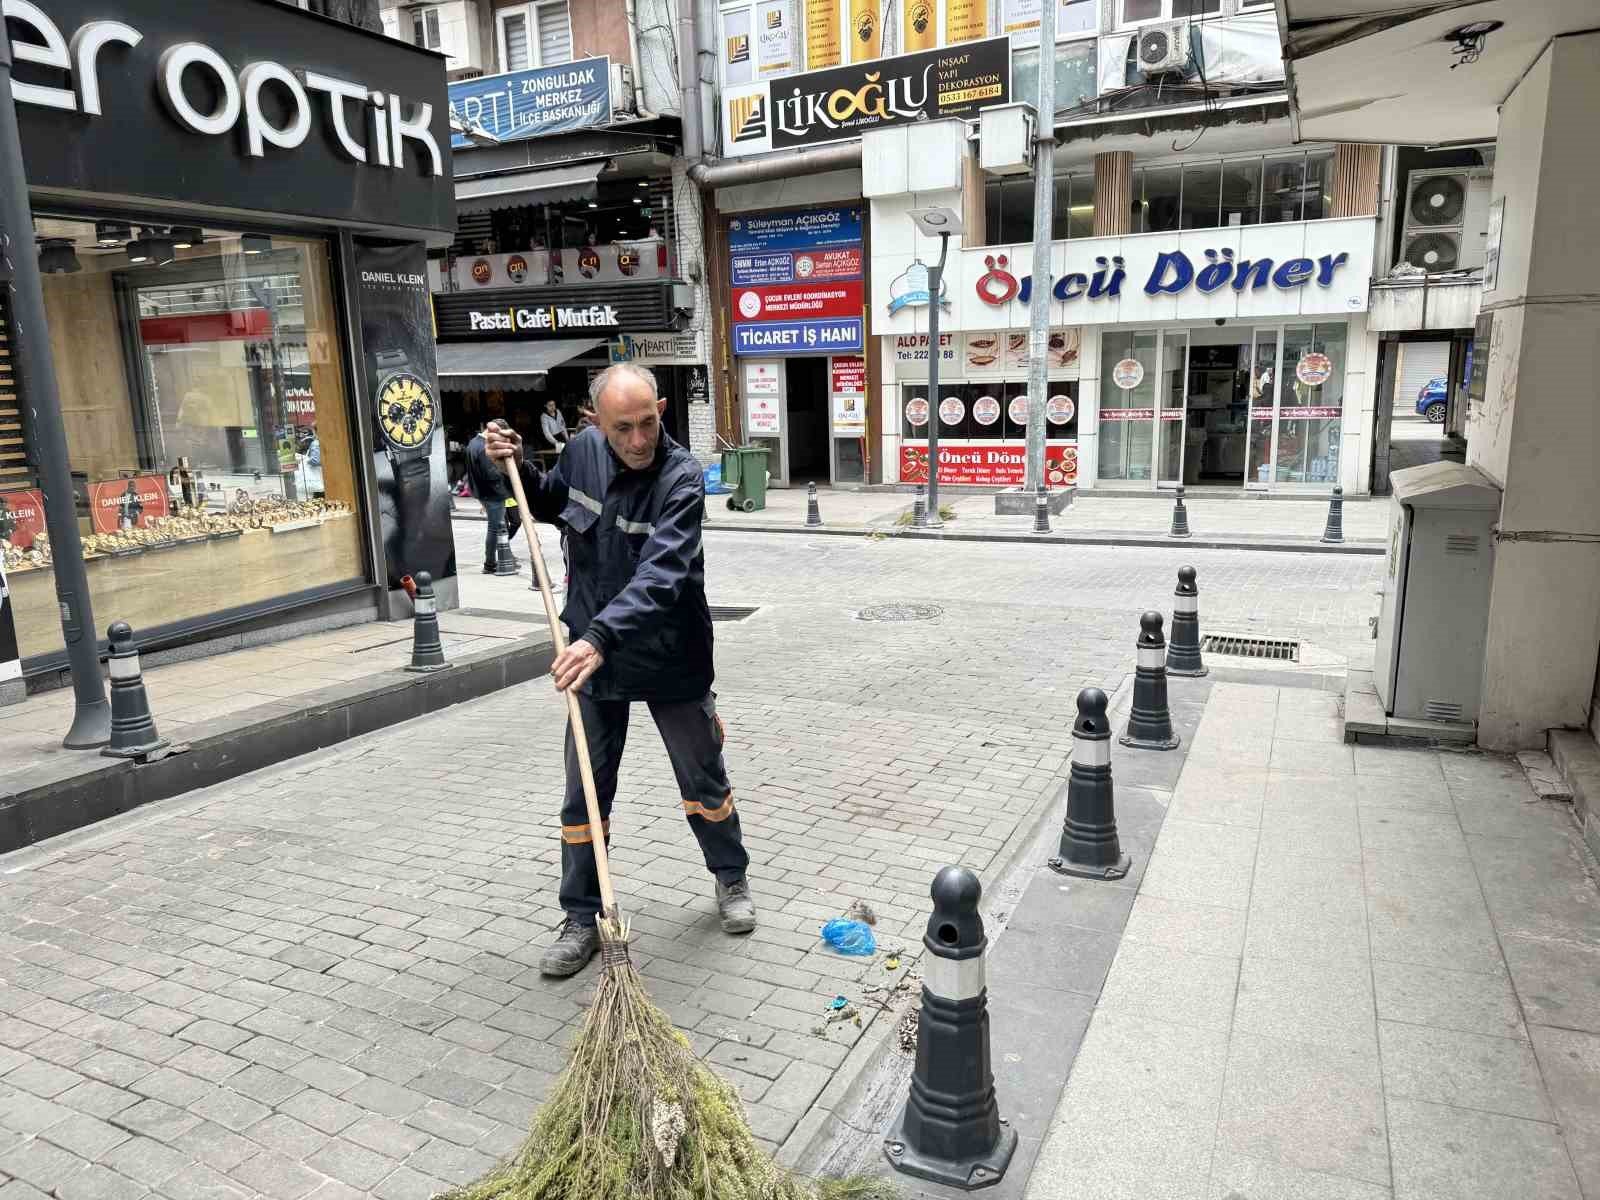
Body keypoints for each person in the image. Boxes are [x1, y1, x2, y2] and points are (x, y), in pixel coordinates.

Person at [485, 363, 755, 977]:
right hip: (594, 658)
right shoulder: (581, 452)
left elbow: (663, 574)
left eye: (647, 423)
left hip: (669, 653)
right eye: (622, 428)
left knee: (703, 776)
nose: (638, 440)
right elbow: (547, 501)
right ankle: (582, 917)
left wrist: (599, 638)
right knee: (585, 790)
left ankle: (730, 876)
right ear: (595, 422)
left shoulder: (682, 477)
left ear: (662, 410)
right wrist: (508, 463)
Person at [466, 421, 520, 573]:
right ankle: (490, 563)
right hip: (493, 493)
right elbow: (492, 474)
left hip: (483, 492)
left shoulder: (472, 443)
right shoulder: (484, 447)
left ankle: (505, 557)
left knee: (499, 527)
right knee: (495, 528)